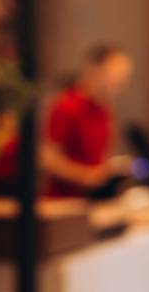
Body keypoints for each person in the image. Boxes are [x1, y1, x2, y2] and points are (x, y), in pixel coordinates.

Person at [40, 44, 134, 198]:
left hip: (93, 198)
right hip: (65, 201)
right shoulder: (67, 106)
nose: (119, 83)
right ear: (93, 70)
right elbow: (47, 158)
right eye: (114, 75)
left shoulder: (104, 110)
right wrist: (86, 176)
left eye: (124, 77)